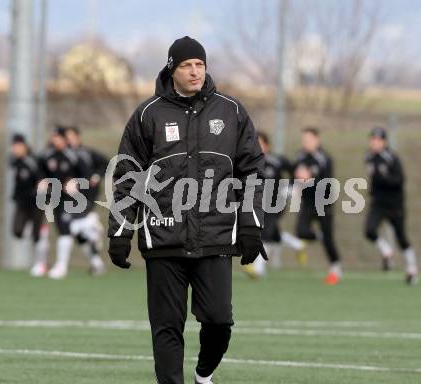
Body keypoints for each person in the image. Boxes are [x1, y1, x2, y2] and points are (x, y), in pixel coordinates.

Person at [107, 36, 266, 384]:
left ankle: (203, 374)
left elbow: (252, 171)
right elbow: (126, 176)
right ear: (172, 69)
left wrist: (252, 223)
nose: (194, 71)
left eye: (199, 64)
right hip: (163, 235)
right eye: (186, 65)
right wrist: (120, 231)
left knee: (219, 320)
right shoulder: (148, 114)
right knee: (166, 329)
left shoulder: (232, 111)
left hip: (215, 236)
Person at [243, 131, 307, 278]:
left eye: (260, 143)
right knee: (273, 235)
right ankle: (298, 245)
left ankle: (258, 269)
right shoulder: (247, 162)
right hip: (258, 203)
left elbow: (295, 172)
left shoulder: (277, 160)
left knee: (264, 232)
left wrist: (291, 188)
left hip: (276, 203)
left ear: (267, 145)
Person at [39, 126, 95, 279]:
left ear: (64, 139)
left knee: (65, 231)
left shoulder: (74, 155)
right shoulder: (47, 155)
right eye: (53, 137)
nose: (55, 140)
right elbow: (41, 173)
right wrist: (43, 182)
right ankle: (95, 259)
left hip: (73, 200)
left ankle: (61, 266)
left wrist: (76, 182)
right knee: (72, 232)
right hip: (56, 199)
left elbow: (89, 177)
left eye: (58, 137)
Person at [365, 126, 418, 284]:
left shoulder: (392, 158)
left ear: (384, 142)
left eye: (377, 140)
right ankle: (386, 251)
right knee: (369, 230)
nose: (373, 143)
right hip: (378, 203)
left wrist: (384, 177)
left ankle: (411, 267)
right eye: (372, 140)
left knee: (401, 237)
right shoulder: (369, 157)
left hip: (394, 204)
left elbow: (399, 181)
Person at [293, 127, 342, 285]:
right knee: (301, 231)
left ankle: (335, 267)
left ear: (317, 140)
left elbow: (326, 183)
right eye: (304, 140)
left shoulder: (324, 158)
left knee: (329, 240)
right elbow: (297, 176)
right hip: (307, 203)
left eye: (309, 139)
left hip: (323, 203)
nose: (306, 143)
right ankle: (319, 236)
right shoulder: (300, 156)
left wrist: (310, 179)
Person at [65, 126, 107, 275]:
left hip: (88, 194)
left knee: (74, 227)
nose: (69, 139)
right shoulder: (64, 155)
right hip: (69, 197)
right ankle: (96, 260)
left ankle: (93, 226)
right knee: (75, 230)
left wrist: (96, 176)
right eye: (67, 137)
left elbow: (105, 163)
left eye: (71, 136)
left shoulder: (87, 153)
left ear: (78, 137)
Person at [10, 133, 49, 277]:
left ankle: (40, 264)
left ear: (24, 146)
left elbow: (43, 178)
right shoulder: (14, 161)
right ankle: (37, 231)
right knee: (17, 231)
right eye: (13, 146)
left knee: (37, 235)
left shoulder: (32, 161)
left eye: (18, 146)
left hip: (37, 202)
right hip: (22, 202)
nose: (15, 149)